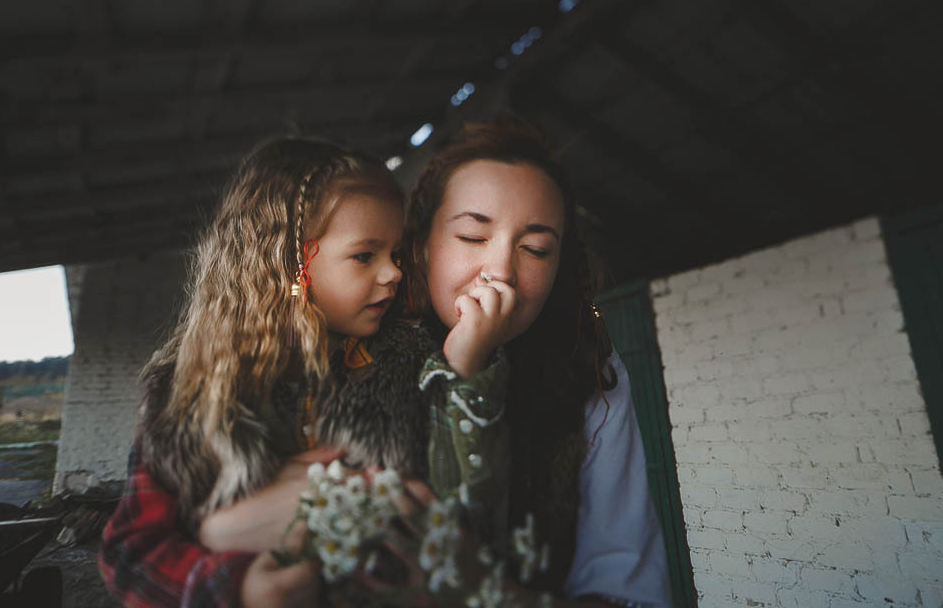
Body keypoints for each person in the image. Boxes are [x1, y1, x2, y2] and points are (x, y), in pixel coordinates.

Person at [98, 136, 515, 607]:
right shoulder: (185, 394)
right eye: (365, 256)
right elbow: (129, 555)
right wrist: (239, 587)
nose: (393, 273)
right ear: (289, 262)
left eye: (395, 255)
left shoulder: (411, 364)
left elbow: (466, 511)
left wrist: (466, 368)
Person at [402, 116, 672, 605]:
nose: (501, 271)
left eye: (535, 248)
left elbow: (627, 585)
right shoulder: (359, 354)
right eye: (471, 237)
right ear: (421, 249)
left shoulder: (591, 375)